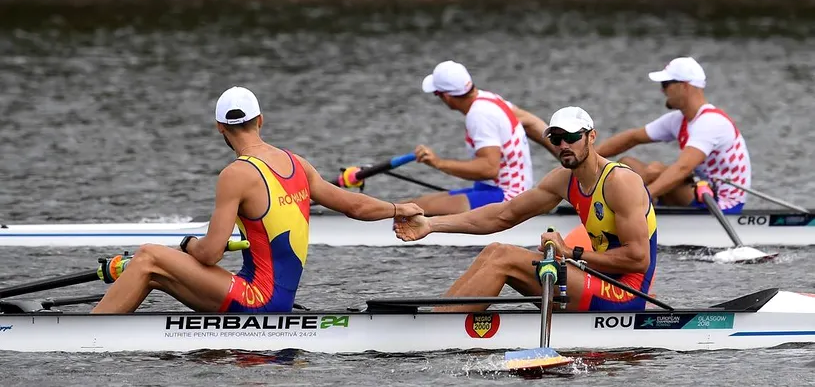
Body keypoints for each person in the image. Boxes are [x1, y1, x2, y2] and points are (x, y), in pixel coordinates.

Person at [92, 86, 423, 314]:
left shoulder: (235, 174)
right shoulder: (298, 164)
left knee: (149, 256)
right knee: (152, 270)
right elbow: (356, 205)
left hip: (257, 298)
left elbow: (209, 255)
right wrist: (399, 208)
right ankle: (107, 326)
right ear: (260, 120)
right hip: (279, 298)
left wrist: (188, 243)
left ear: (220, 128)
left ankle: (86, 335)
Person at [394, 106, 658, 312]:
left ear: (591, 137)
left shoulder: (620, 181)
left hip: (626, 293)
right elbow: (503, 215)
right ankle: (436, 319)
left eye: (571, 137)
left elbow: (638, 258)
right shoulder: (563, 180)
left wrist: (569, 252)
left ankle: (436, 330)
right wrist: (431, 224)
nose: (564, 145)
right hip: (599, 280)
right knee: (494, 250)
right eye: (556, 138)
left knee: (505, 258)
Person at [595, 57, 751, 214]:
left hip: (721, 204)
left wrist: (643, 197)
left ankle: (635, 208)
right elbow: (632, 138)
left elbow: (683, 168)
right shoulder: (679, 120)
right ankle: (625, 209)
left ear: (684, 86)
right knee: (627, 165)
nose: (662, 91)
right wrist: (587, 159)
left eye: (666, 84)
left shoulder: (711, 122)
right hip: (698, 188)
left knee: (660, 172)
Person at [410, 60, 558, 216]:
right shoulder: (490, 98)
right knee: (413, 205)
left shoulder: (479, 115)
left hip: (507, 198)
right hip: (494, 190)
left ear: (446, 97)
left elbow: (489, 169)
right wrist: (564, 156)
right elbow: (531, 123)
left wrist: (438, 163)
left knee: (413, 210)